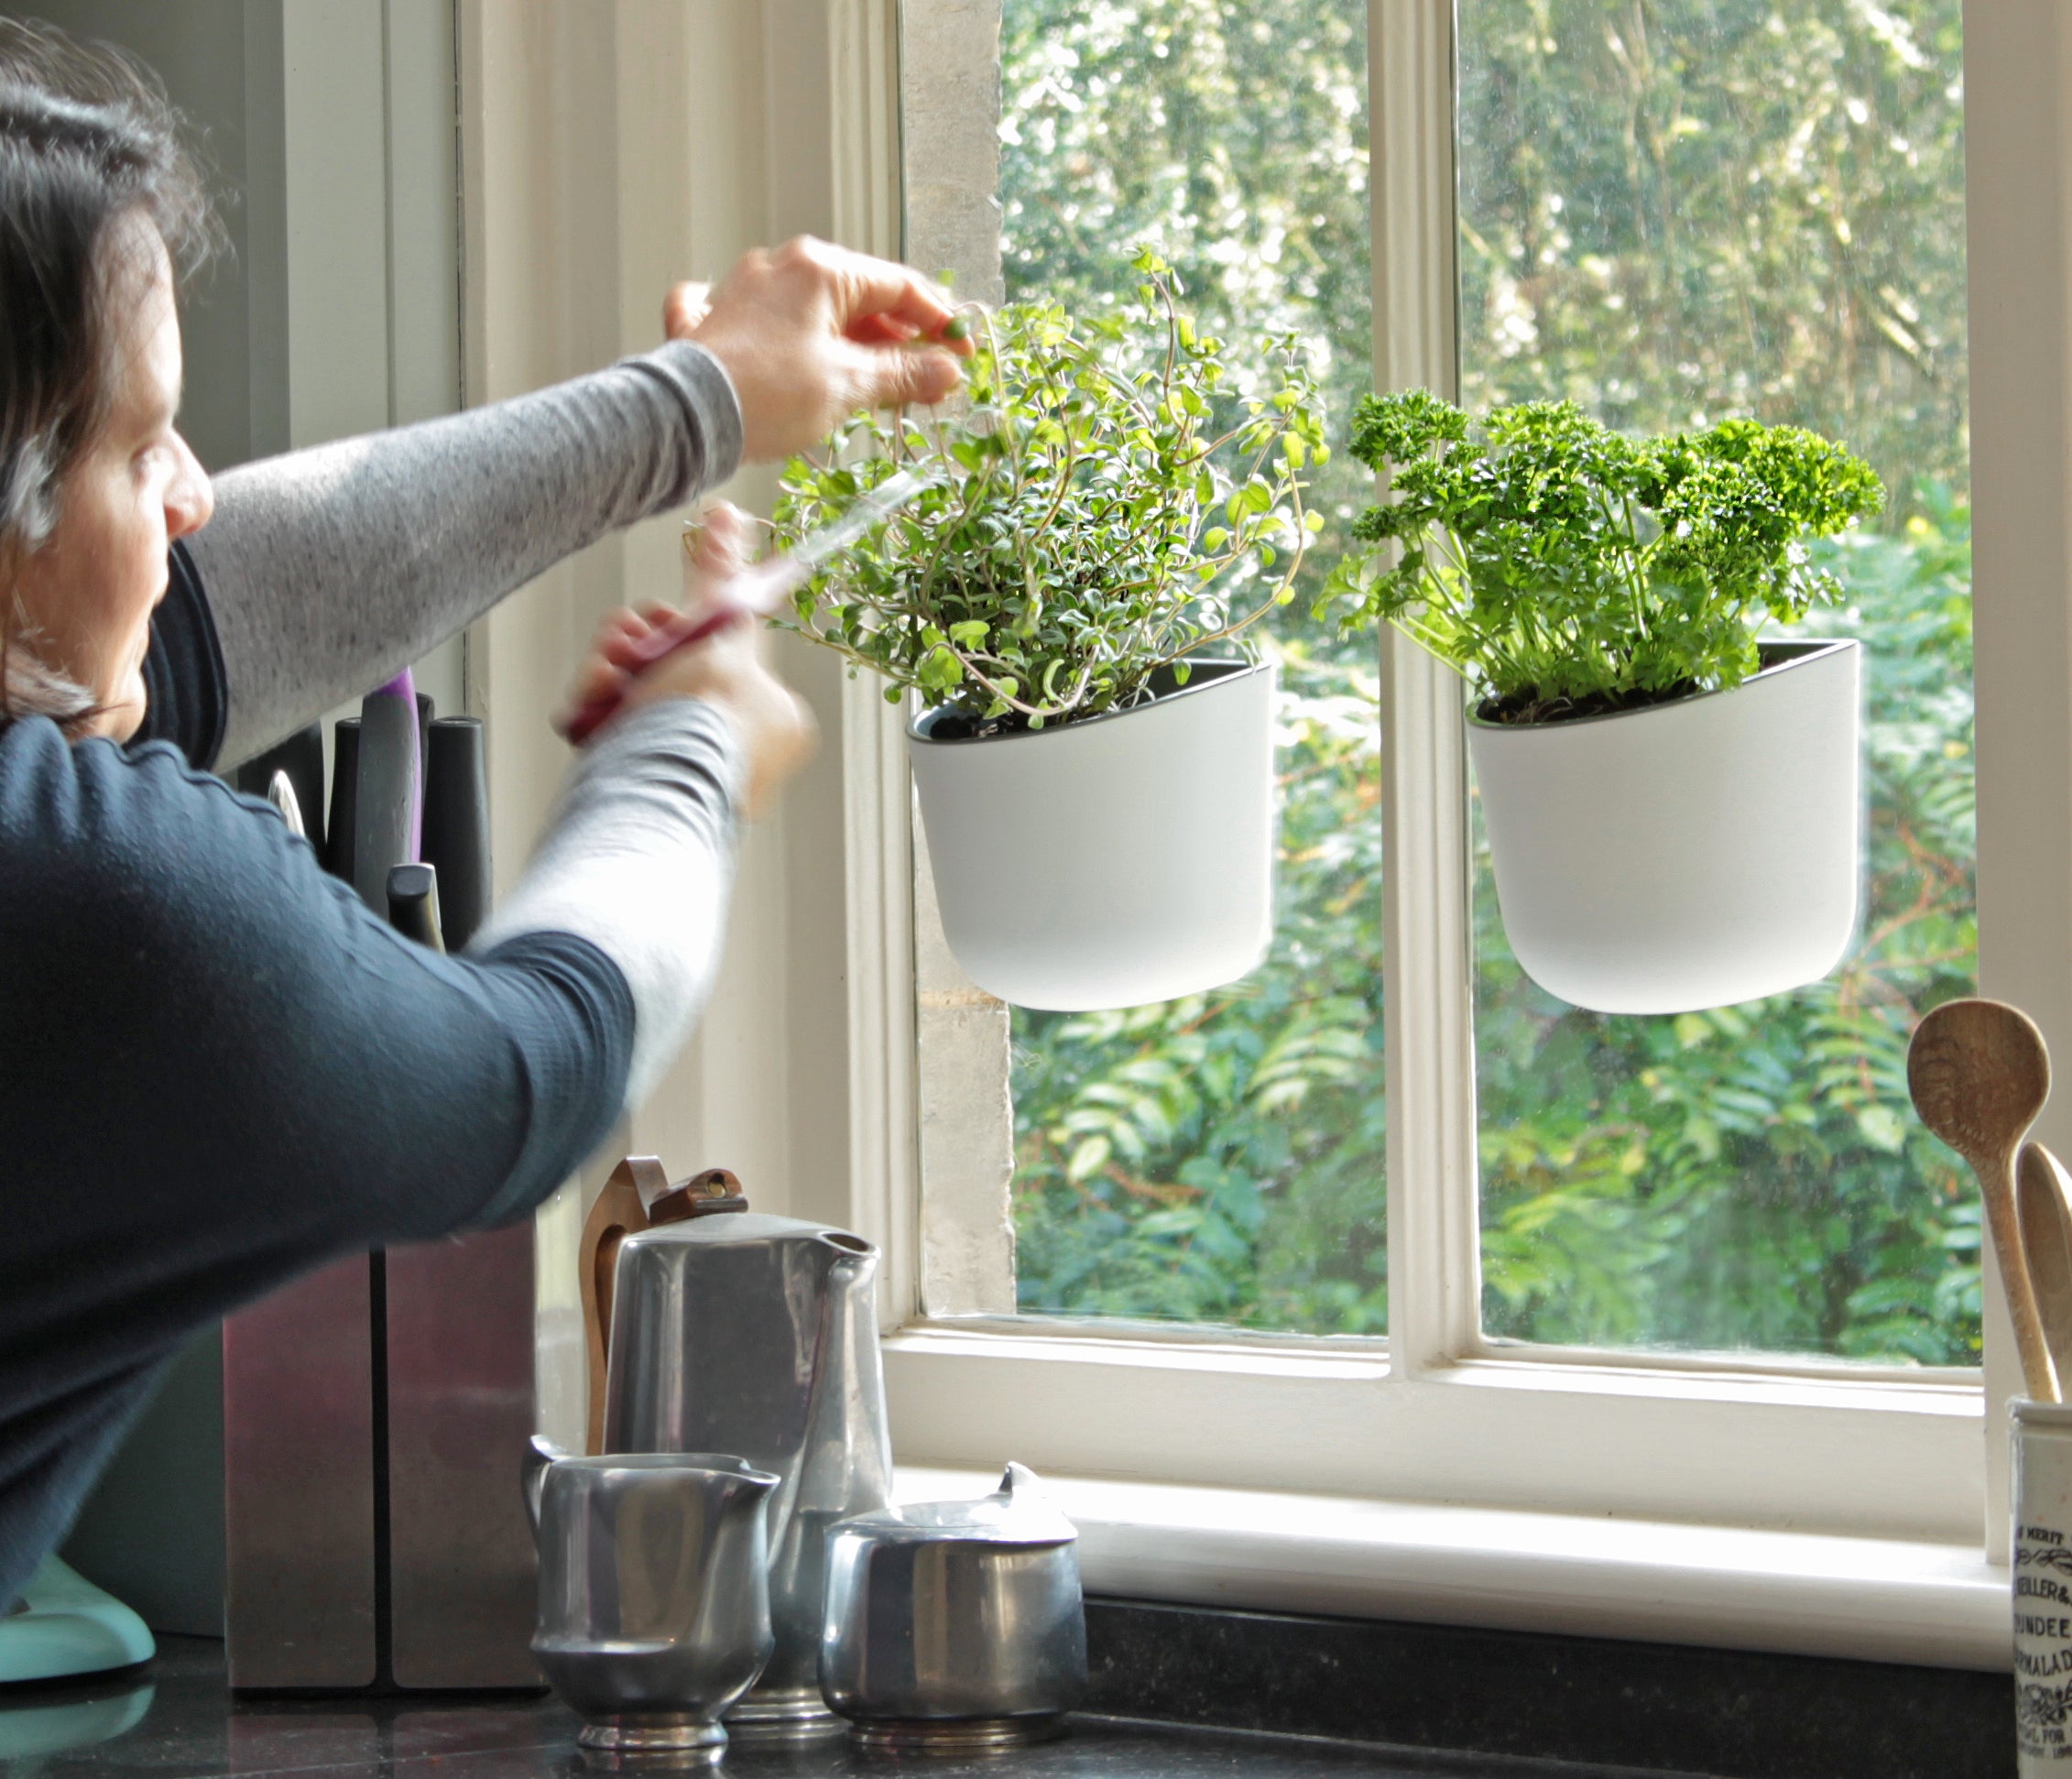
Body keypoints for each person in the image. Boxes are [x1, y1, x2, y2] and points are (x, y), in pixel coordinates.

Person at [0, 21, 968, 1608]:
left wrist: (702, 401)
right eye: (135, 442)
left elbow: (209, 626)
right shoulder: (95, 907)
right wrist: (690, 743)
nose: (192, 490)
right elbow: (534, 1067)